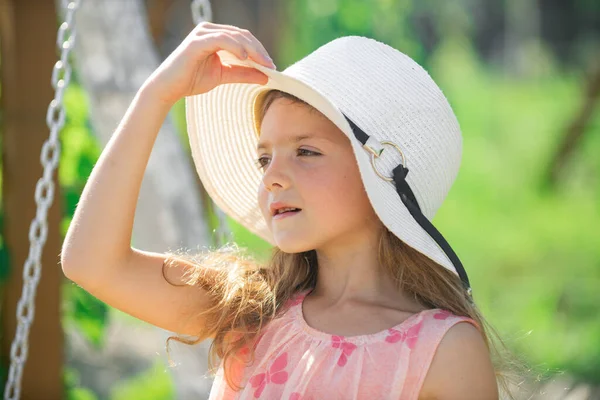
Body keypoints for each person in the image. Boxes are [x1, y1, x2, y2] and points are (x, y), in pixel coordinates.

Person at [62, 22, 507, 399]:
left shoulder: (443, 350)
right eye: (264, 158)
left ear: (383, 176)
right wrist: (157, 95)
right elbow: (91, 262)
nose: (272, 176)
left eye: (306, 152)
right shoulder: (250, 310)